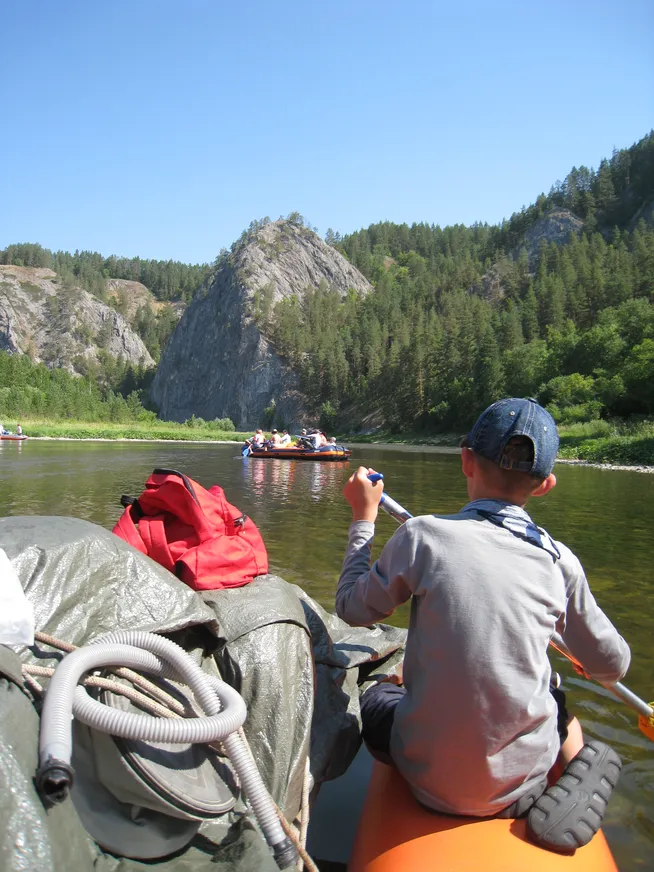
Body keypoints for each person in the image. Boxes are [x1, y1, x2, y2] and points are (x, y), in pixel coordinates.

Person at [336, 398, 630, 848]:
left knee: (378, 689)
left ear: (466, 459)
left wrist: (363, 518)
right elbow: (613, 666)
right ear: (546, 484)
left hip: (423, 778)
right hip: (520, 793)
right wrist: (587, 656)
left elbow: (352, 609)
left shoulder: (422, 536)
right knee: (554, 695)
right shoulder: (560, 562)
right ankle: (577, 763)